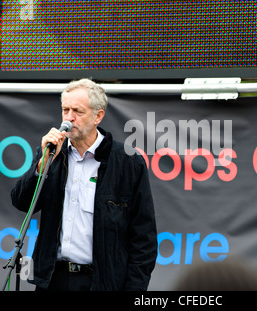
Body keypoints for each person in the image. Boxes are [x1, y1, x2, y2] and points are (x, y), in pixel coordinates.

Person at [11, 78, 157, 291]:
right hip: (52, 279)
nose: (69, 118)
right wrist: (42, 165)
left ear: (98, 116)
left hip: (99, 282)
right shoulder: (51, 155)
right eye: (65, 110)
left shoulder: (127, 162)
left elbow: (144, 239)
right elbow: (21, 202)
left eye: (77, 111)